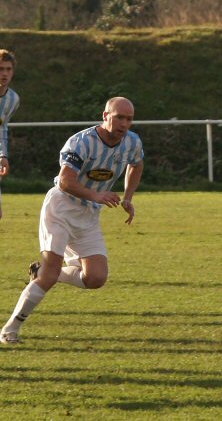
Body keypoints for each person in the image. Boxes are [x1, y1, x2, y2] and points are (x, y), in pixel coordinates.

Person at [0, 97, 144, 344]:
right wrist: (96, 194)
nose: (124, 123)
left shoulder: (132, 141)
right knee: (50, 273)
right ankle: (10, 330)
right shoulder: (82, 141)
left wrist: (128, 197)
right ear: (105, 115)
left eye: (129, 119)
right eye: (119, 117)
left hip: (88, 214)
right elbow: (65, 181)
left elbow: (137, 164)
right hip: (61, 208)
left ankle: (43, 272)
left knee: (96, 278)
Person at [0, 49, 21, 221]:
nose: (4, 73)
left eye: (8, 69)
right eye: (0, 69)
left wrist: (3, 154)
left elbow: (2, 127)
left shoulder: (13, 100)